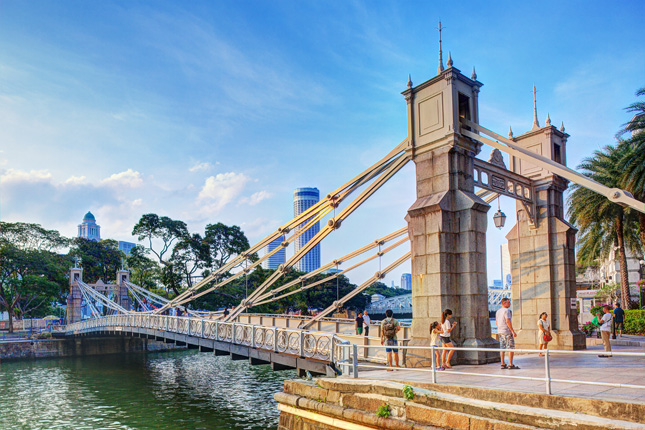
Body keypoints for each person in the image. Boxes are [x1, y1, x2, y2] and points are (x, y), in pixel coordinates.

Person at [496, 297, 519, 369]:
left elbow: (496, 322)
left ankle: (502, 364)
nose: (510, 304)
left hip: (500, 331)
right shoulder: (507, 311)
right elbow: (508, 321)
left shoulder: (498, 311)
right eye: (508, 302)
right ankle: (510, 364)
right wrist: (512, 331)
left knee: (502, 348)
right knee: (511, 347)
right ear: (504, 303)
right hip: (507, 331)